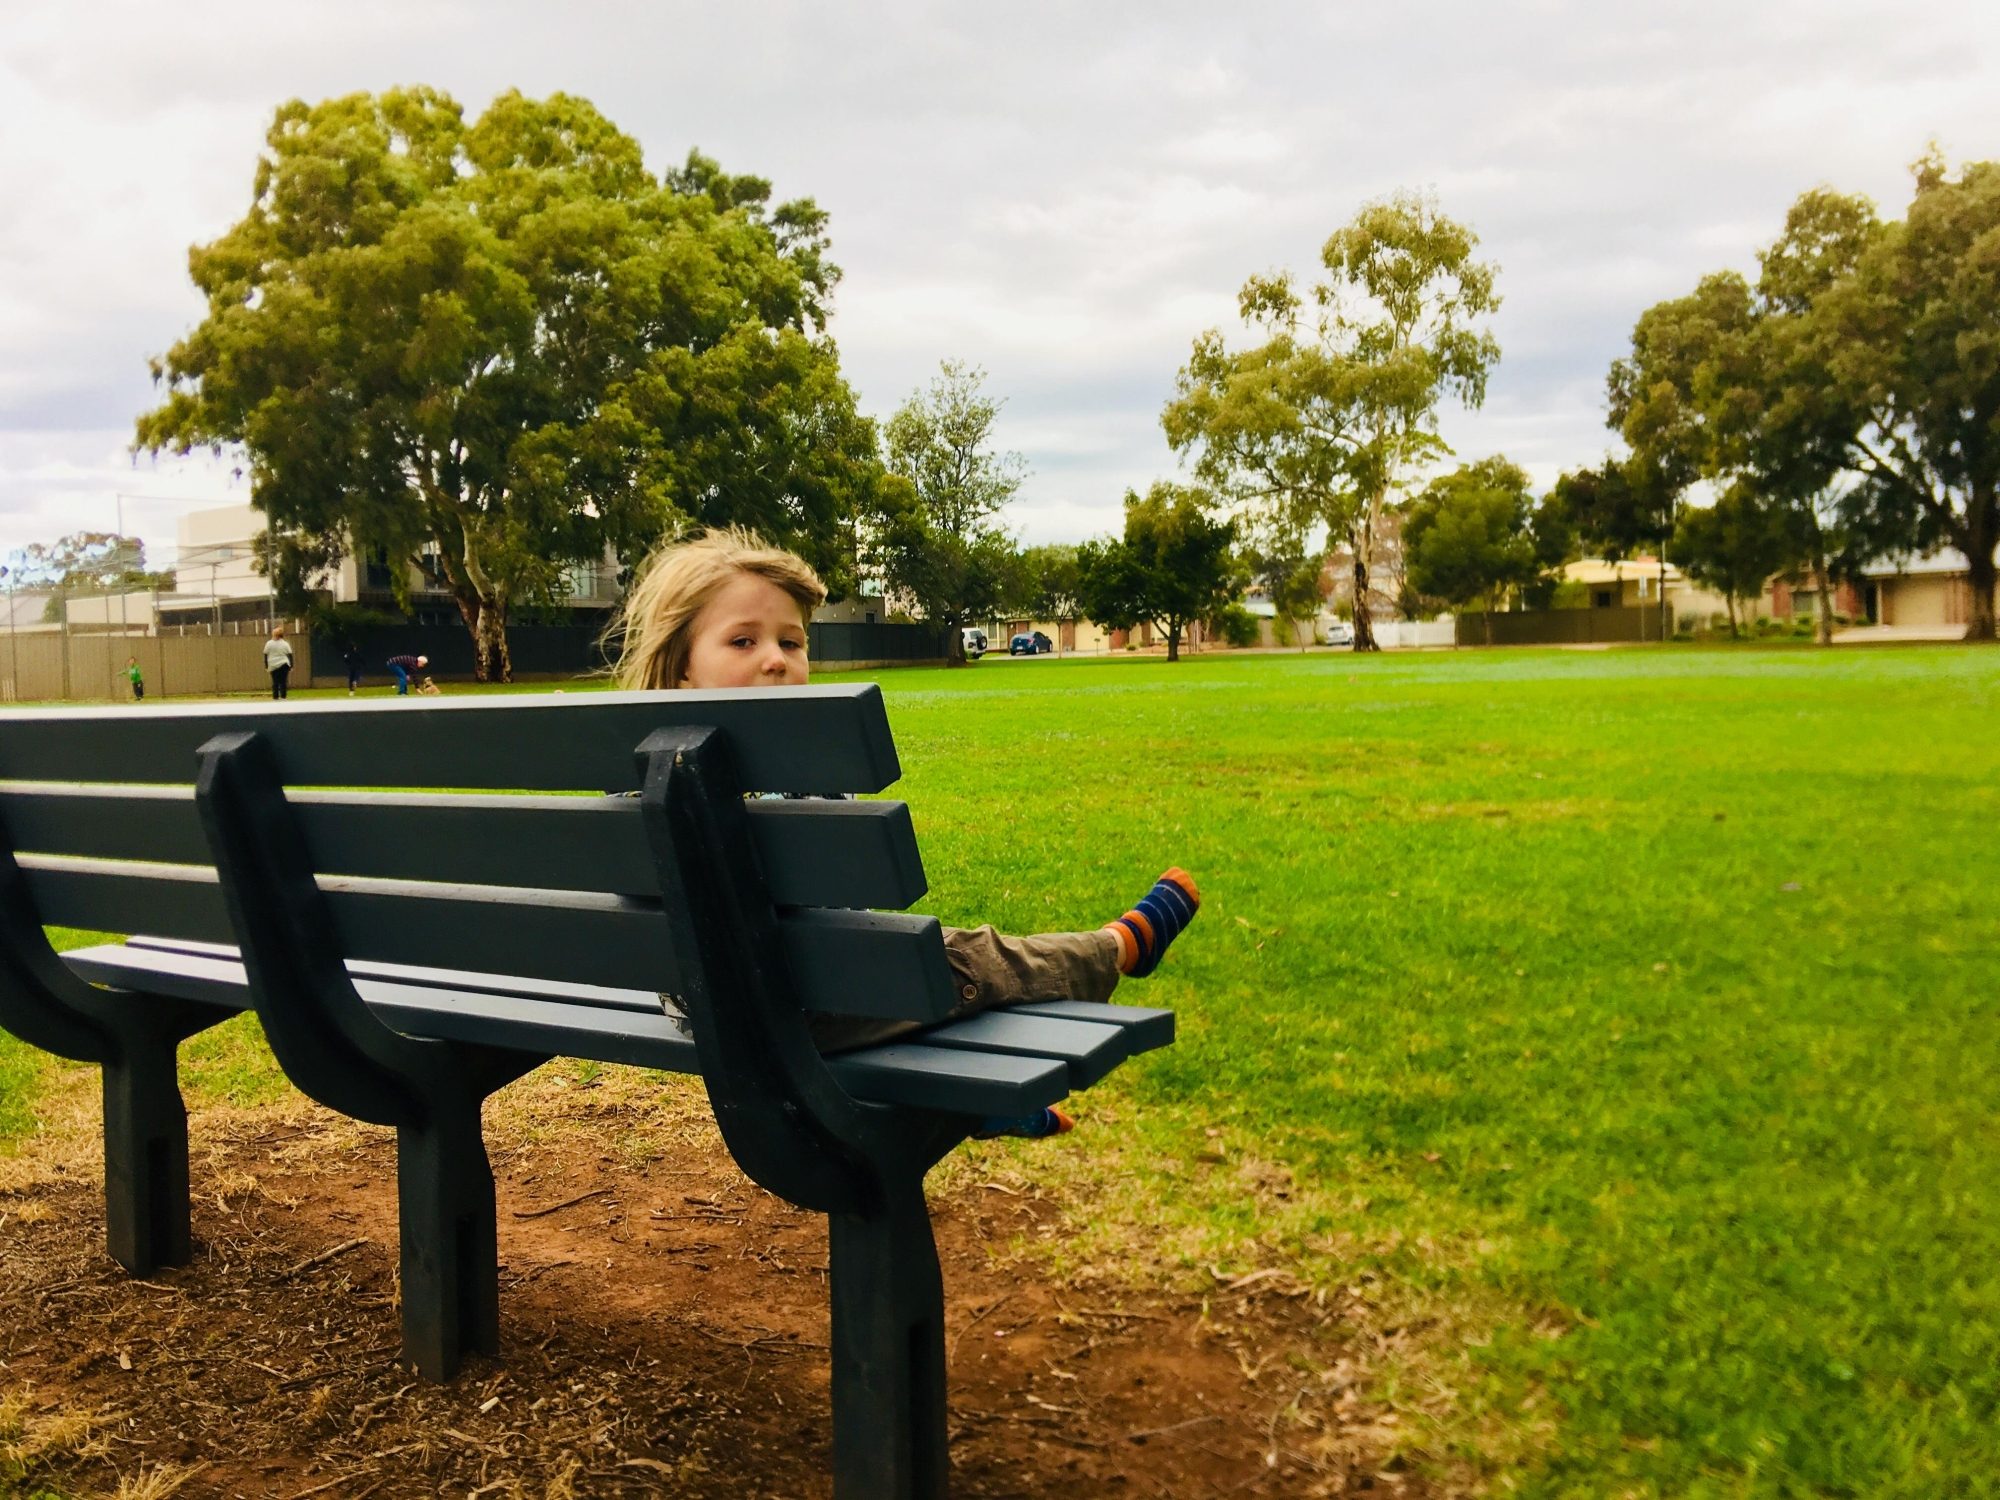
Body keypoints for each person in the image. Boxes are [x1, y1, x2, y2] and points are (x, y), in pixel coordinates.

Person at [611, 528, 1199, 1139]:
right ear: (681, 668)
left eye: (791, 641)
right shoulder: (781, 779)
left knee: (922, 968)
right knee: (964, 961)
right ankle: (1118, 948)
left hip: (701, 1012)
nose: (776, 658)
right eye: (743, 640)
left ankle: (974, 1107)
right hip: (800, 1005)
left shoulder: (632, 775)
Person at [263, 626, 294, 700]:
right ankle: (283, 696)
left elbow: (265, 655)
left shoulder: (269, 643)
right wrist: (291, 665)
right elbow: (290, 654)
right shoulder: (285, 644)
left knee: (275, 681)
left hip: (273, 665)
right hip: (284, 664)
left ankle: (275, 696)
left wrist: (266, 666)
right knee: (283, 681)